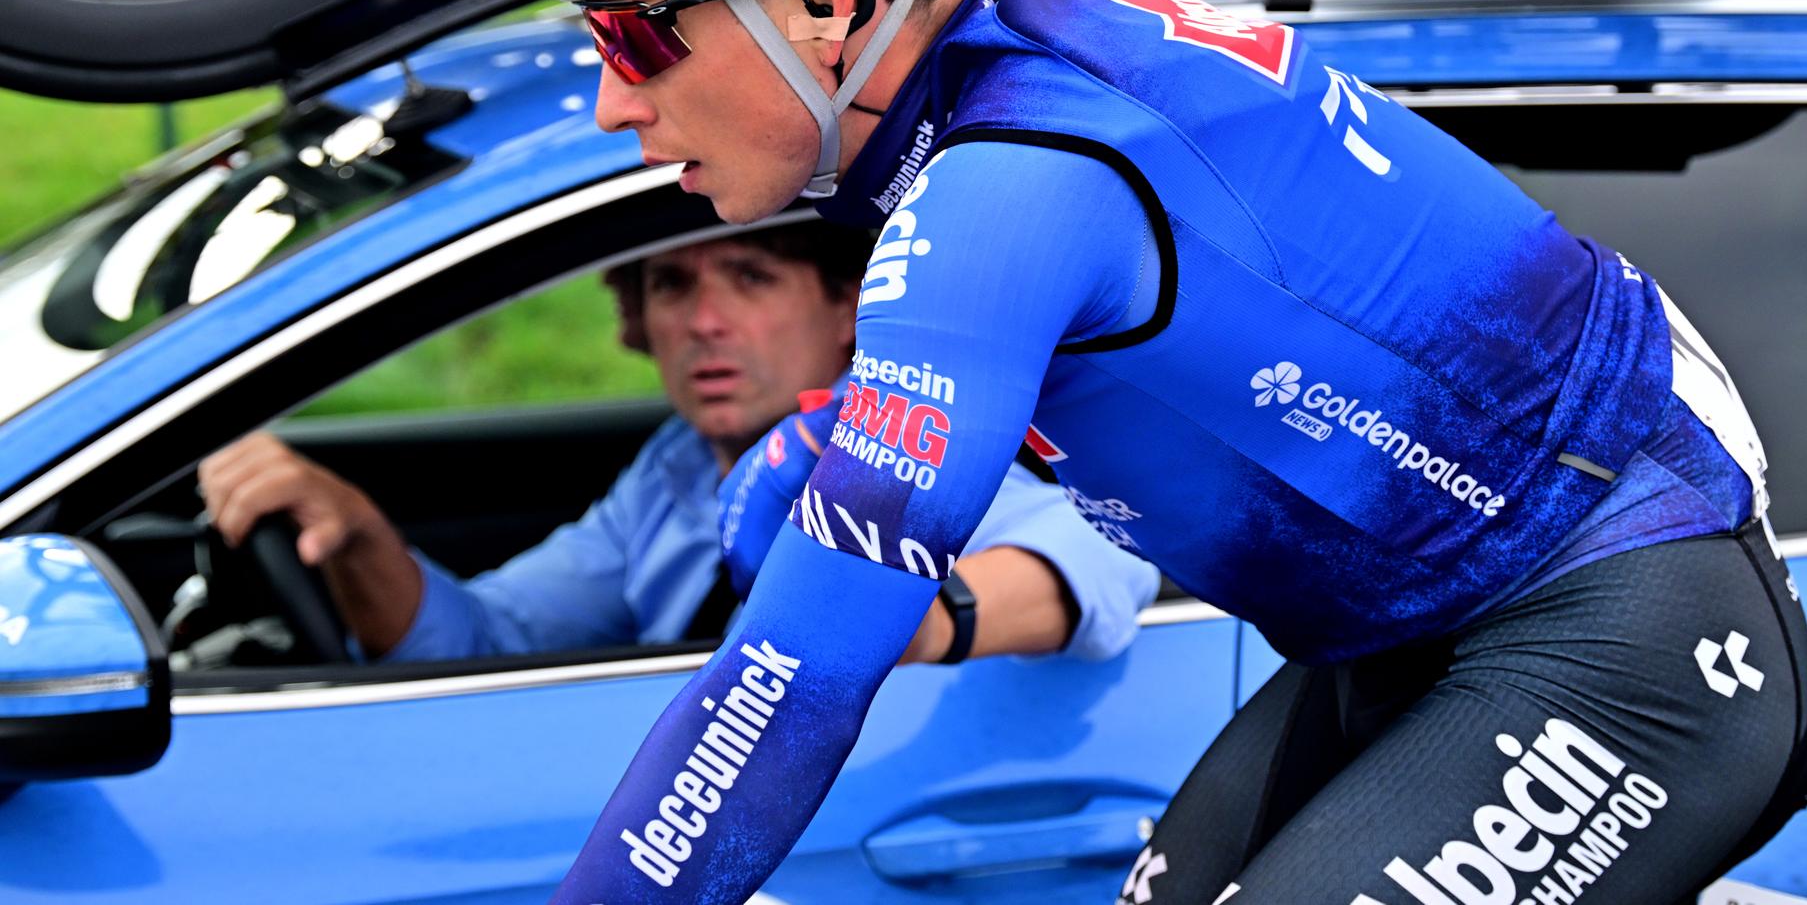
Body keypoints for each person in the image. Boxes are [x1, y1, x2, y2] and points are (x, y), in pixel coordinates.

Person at [518, 0, 1807, 904]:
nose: (613, 101)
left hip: (1610, 613)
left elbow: (795, 674)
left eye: (638, 37)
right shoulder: (1028, 42)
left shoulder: (1009, 182)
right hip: (1418, 628)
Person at [197, 221, 1158, 666]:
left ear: (848, 308)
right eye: (670, 285)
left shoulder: (900, 443)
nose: (704, 320)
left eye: (750, 276)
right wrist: (358, 536)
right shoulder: (674, 471)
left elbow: (1102, 558)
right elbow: (485, 643)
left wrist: (921, 622)